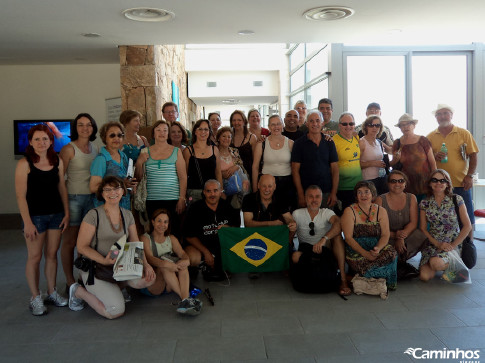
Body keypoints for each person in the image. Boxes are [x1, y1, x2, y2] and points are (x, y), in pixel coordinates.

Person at [68, 176, 155, 318]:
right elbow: (81, 247)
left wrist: (146, 265)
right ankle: (78, 291)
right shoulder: (93, 215)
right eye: (107, 189)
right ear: (102, 194)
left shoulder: (127, 215)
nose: (112, 193)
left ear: (123, 191)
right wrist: (104, 261)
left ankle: (115, 288)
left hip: (119, 266)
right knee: (115, 311)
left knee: (147, 279)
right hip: (95, 268)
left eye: (116, 188)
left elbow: (135, 243)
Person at [15, 124, 70, 315]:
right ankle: (35, 297)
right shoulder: (24, 163)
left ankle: (52, 292)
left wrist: (66, 212)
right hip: (35, 218)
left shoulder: (58, 161)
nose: (41, 142)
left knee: (52, 255)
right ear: (30, 142)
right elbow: (21, 196)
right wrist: (27, 222)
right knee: (35, 257)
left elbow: (62, 188)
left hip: (56, 215)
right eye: (37, 139)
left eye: (45, 139)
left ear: (51, 141)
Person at [427, 103, 479, 240]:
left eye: (445, 113)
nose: (442, 116)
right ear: (436, 117)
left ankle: (469, 245)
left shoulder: (463, 133)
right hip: (439, 185)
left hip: (461, 183)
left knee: (466, 215)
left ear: (451, 115)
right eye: (439, 114)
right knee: (442, 217)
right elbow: (425, 160)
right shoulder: (430, 136)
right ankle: (445, 246)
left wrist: (469, 176)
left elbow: (473, 155)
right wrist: (434, 156)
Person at [59, 113, 99, 291]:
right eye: (81, 125)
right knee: (70, 242)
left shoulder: (95, 148)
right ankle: (70, 281)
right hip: (74, 198)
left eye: (88, 124)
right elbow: (60, 179)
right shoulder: (68, 149)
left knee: (87, 242)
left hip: (92, 198)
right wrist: (65, 206)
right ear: (75, 128)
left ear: (93, 127)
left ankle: (84, 278)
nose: (85, 128)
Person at [291, 185, 351, 296]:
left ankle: (343, 280)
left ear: (321, 198)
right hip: (307, 250)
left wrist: (324, 239)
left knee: (337, 237)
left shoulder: (326, 212)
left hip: (325, 250)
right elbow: (289, 238)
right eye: (311, 197)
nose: (314, 200)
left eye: (317, 197)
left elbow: (338, 224)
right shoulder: (297, 213)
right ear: (305, 198)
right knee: (295, 257)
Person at [140, 209, 202, 315]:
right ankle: (186, 299)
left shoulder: (171, 238)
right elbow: (149, 258)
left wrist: (186, 260)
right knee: (165, 266)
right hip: (154, 283)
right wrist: (166, 264)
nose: (162, 225)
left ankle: (185, 300)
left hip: (169, 284)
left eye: (165, 222)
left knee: (182, 265)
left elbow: (182, 254)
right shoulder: (145, 238)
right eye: (159, 221)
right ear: (153, 222)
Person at [341, 181, 398, 289]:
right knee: (368, 262)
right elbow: (348, 238)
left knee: (392, 253)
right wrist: (365, 254)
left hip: (375, 247)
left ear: (372, 194)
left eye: (366, 192)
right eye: (360, 192)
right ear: (356, 195)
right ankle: (374, 278)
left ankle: (366, 279)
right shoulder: (349, 211)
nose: (363, 195)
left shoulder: (381, 210)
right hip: (357, 250)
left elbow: (385, 235)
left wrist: (377, 249)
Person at [135, 120, 187, 238]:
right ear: (153, 134)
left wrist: (181, 198)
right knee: (155, 233)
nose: (161, 133)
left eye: (165, 130)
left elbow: (183, 177)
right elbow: (139, 177)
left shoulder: (176, 151)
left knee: (173, 232)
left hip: (173, 199)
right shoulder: (145, 151)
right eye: (158, 130)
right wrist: (139, 163)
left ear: (168, 134)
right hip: (152, 200)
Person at [418, 169, 472, 281]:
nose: (438, 183)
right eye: (435, 180)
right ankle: (448, 268)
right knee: (424, 276)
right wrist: (437, 244)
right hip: (433, 243)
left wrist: (452, 245)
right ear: (430, 183)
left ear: (447, 184)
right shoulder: (425, 203)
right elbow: (423, 228)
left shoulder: (456, 199)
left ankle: (457, 267)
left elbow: (467, 226)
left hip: (453, 241)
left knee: (436, 263)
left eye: (443, 180)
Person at [184, 180, 241, 281]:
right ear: (204, 192)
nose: (212, 194)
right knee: (193, 258)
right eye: (209, 191)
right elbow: (189, 236)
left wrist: (228, 228)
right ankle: (193, 270)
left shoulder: (227, 206)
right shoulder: (195, 208)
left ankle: (223, 265)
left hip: (222, 246)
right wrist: (206, 252)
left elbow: (237, 230)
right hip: (201, 246)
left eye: (215, 191)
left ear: (220, 192)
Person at [375, 171, 427, 279]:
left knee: (421, 235)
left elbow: (413, 223)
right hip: (387, 236)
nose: (397, 184)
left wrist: (401, 237)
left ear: (405, 184)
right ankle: (397, 264)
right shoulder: (380, 200)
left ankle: (398, 262)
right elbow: (378, 227)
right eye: (393, 181)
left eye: (400, 181)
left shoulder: (411, 198)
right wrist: (396, 236)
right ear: (388, 184)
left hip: (406, 237)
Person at [291, 110, 339, 209]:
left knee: (327, 223)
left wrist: (334, 193)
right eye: (311, 121)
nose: (315, 124)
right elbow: (295, 171)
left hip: (326, 192)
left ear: (322, 123)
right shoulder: (299, 144)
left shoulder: (329, 142)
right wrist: (300, 195)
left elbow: (335, 170)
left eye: (317, 121)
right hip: (306, 192)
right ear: (307, 123)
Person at [90, 121, 137, 210]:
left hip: (124, 207)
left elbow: (126, 180)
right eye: (112, 135)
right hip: (106, 209)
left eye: (119, 135)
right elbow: (93, 187)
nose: (116, 138)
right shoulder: (101, 159)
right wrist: (122, 184)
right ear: (105, 138)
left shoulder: (123, 156)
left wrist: (131, 184)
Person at [252, 115, 295, 210]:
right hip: (266, 184)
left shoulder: (291, 143)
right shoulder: (261, 144)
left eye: (278, 124)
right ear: (269, 127)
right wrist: (255, 188)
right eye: (273, 124)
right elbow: (255, 167)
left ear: (283, 125)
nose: (276, 127)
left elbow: (295, 167)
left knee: (286, 212)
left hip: (286, 184)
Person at [390, 113, 436, 202]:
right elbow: (394, 165)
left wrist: (434, 181)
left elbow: (432, 162)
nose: (405, 127)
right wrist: (395, 159)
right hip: (405, 186)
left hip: (424, 185)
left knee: (424, 213)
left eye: (408, 124)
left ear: (414, 125)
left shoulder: (423, 140)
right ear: (400, 128)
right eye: (402, 125)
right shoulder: (397, 143)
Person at [183, 119, 222, 204]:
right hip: (194, 192)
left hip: (212, 193)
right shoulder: (188, 151)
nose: (203, 132)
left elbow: (218, 173)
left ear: (209, 132)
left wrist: (221, 191)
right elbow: (184, 175)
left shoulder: (214, 149)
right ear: (195, 132)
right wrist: (183, 195)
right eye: (200, 129)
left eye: (206, 129)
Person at [333, 112, 362, 212]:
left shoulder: (356, 138)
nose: (348, 126)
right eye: (345, 124)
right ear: (339, 125)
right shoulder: (333, 141)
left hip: (358, 186)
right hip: (343, 188)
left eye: (351, 124)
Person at [216, 126, 250, 207]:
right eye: (223, 136)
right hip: (221, 186)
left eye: (229, 137)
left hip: (236, 186)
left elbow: (240, 164)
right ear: (218, 138)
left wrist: (235, 167)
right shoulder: (214, 151)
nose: (226, 139)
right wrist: (221, 174)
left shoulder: (234, 151)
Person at [359, 115, 389, 195]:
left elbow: (391, 151)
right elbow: (355, 164)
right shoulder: (362, 142)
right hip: (368, 181)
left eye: (377, 125)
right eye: (371, 125)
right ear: (366, 127)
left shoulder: (379, 142)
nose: (374, 128)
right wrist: (373, 163)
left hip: (382, 178)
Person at [230, 110, 257, 181]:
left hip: (248, 175)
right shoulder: (228, 137)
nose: (236, 123)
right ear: (231, 122)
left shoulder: (252, 137)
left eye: (239, 120)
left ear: (244, 122)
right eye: (234, 120)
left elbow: (255, 162)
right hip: (232, 176)